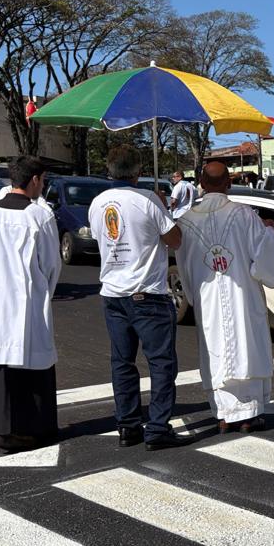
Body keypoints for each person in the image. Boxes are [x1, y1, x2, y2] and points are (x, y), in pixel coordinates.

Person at [89, 144, 189, 451]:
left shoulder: (97, 203)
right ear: (138, 171)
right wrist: (162, 207)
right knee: (161, 364)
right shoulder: (147, 200)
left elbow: (99, 238)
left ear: (109, 170)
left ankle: (128, 425)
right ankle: (157, 427)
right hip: (147, 292)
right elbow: (175, 240)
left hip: (113, 292)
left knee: (122, 362)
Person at [174, 161, 274, 433]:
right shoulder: (244, 214)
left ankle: (224, 414)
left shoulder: (186, 220)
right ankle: (248, 414)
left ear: (201, 184)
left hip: (207, 298)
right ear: (228, 184)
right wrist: (271, 233)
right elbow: (264, 257)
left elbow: (184, 266)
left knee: (216, 351)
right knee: (247, 346)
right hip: (242, 296)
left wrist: (193, 293)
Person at [0, 155, 60, 452]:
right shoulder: (39, 216)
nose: (42, 187)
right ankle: (30, 428)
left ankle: (1, 427)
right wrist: (43, 291)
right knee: (29, 362)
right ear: (34, 180)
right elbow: (51, 265)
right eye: (43, 181)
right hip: (27, 302)